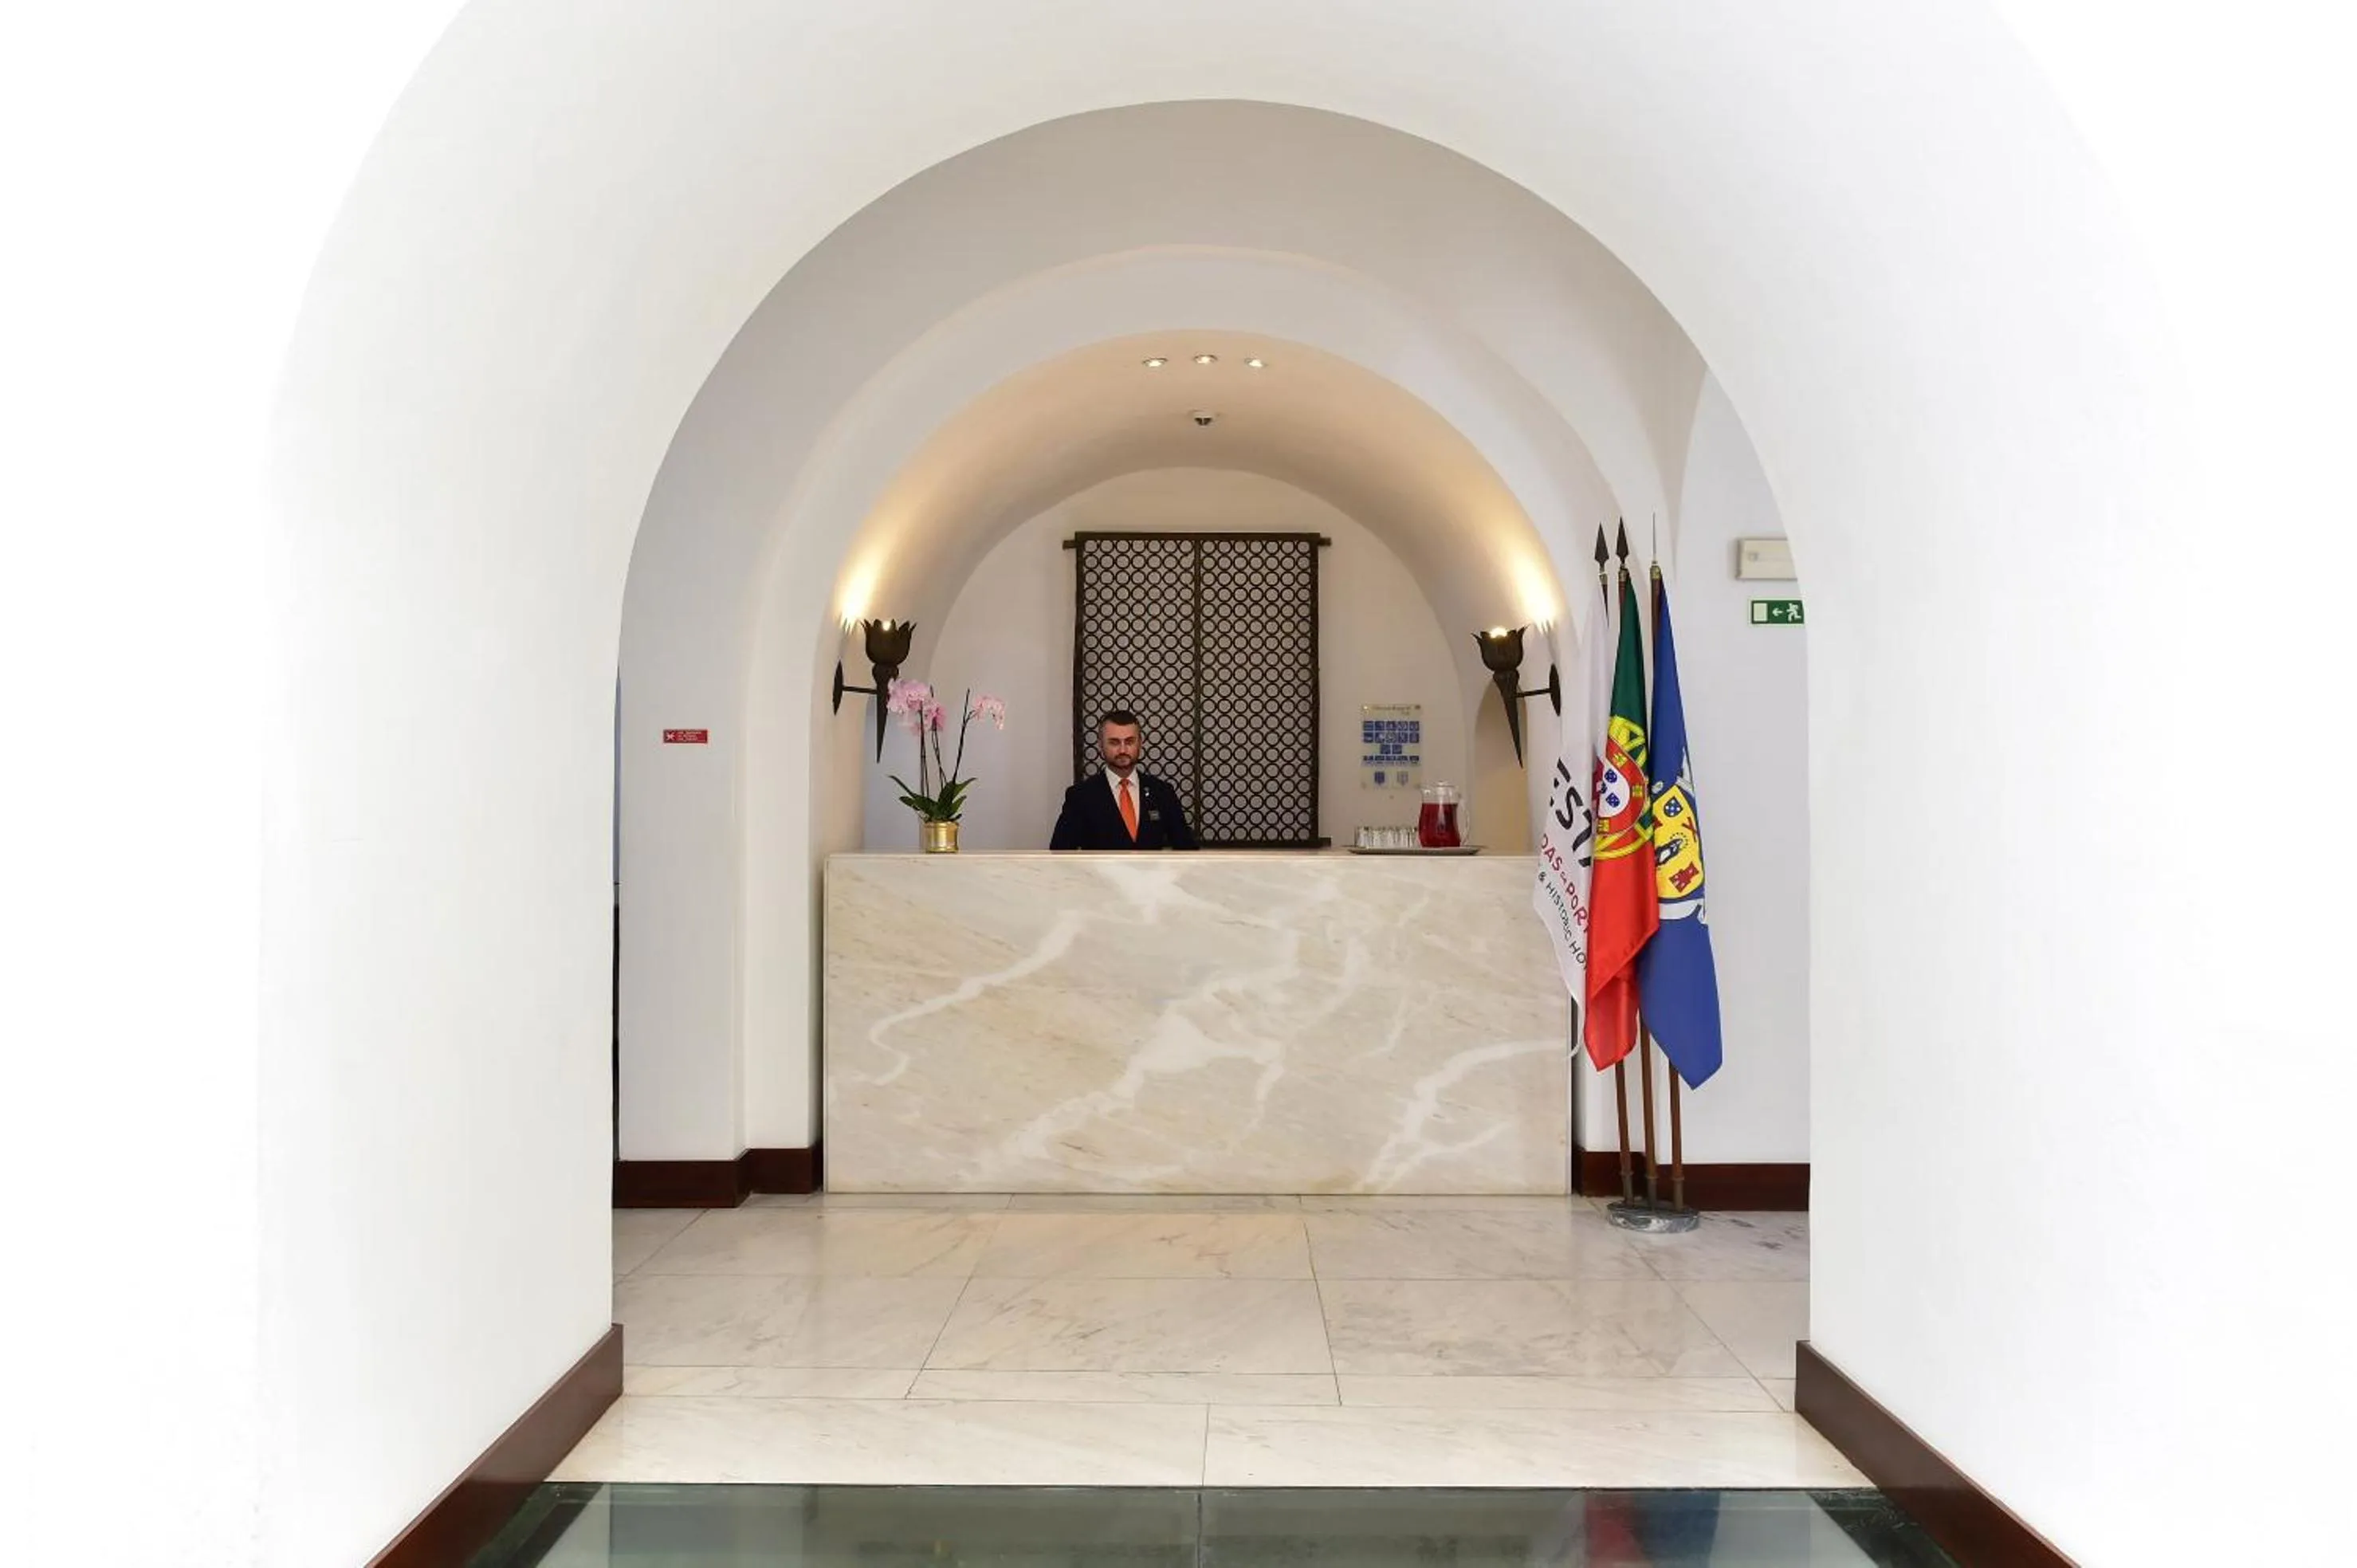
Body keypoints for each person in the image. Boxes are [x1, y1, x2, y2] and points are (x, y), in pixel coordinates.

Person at [1050, 709, 1199, 851]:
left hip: (1152, 878)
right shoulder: (1081, 796)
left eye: (1129, 742)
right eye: (1114, 742)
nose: (1122, 750)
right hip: (1099, 878)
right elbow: (1060, 853)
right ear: (1101, 745)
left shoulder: (1162, 792)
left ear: (1140, 743)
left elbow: (1186, 848)